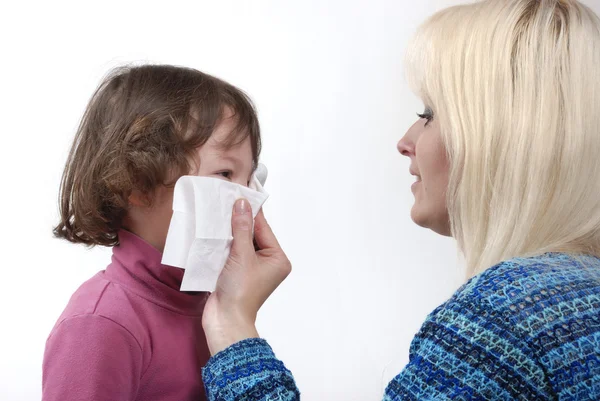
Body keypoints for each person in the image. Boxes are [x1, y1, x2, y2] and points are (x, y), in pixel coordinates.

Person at [199, 0, 600, 400]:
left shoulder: (509, 312)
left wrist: (232, 327)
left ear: (500, 135)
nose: (406, 141)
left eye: (430, 114)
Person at [43, 64, 261, 401]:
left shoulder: (217, 308)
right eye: (225, 173)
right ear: (138, 185)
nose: (245, 199)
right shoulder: (101, 324)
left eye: (250, 180)